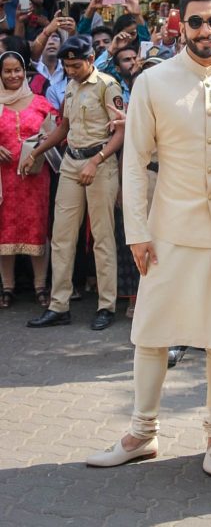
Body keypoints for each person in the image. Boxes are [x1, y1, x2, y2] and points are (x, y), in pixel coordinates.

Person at [86, 0, 211, 472]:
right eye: (197, 21)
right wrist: (136, 232)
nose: (206, 30)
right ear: (180, 24)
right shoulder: (153, 81)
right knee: (151, 333)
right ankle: (142, 432)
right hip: (166, 230)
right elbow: (136, 162)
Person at [22, 35, 124, 331]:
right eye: (66, 66)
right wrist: (37, 152)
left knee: (103, 238)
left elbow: (120, 131)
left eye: (76, 65)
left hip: (100, 163)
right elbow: (63, 128)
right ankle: (59, 305)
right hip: (71, 162)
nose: (70, 70)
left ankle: (106, 305)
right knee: (62, 236)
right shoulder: (70, 86)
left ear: (90, 59)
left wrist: (97, 160)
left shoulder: (108, 85)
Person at [0, 51, 56, 308]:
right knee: (4, 230)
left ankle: (40, 286)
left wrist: (39, 148)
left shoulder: (41, 103)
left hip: (35, 178)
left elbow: (59, 133)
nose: (13, 75)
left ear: (25, 71)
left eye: (17, 70)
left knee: (37, 227)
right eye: (7, 71)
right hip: (4, 180)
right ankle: (8, 287)